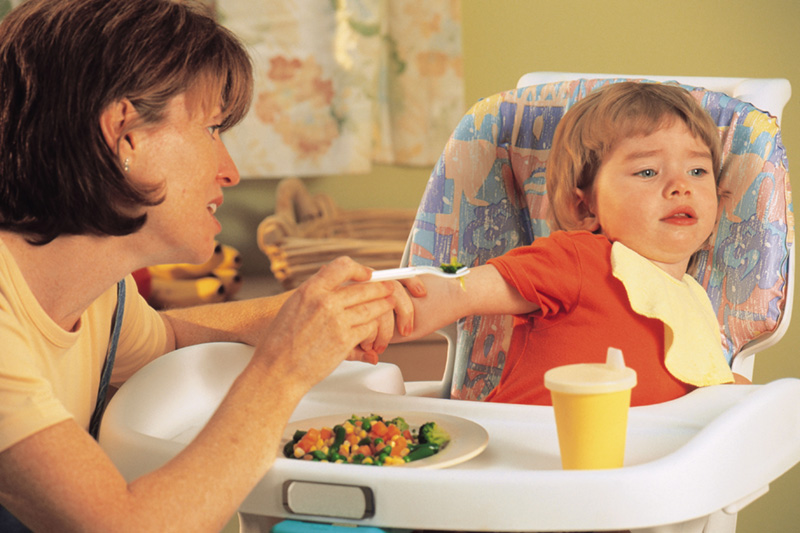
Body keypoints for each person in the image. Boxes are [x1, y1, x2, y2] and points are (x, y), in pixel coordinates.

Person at [0, 1, 418, 531]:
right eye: (213, 130)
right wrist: (284, 366)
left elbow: (168, 340)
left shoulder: (98, 293)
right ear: (124, 135)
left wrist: (297, 316)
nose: (231, 172)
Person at [395, 81, 749, 407]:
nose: (680, 186)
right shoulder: (580, 259)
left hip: (632, 469)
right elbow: (461, 291)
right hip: (523, 458)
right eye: (647, 171)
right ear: (584, 206)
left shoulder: (698, 303)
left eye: (698, 171)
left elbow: (693, 389)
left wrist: (748, 397)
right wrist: (390, 308)